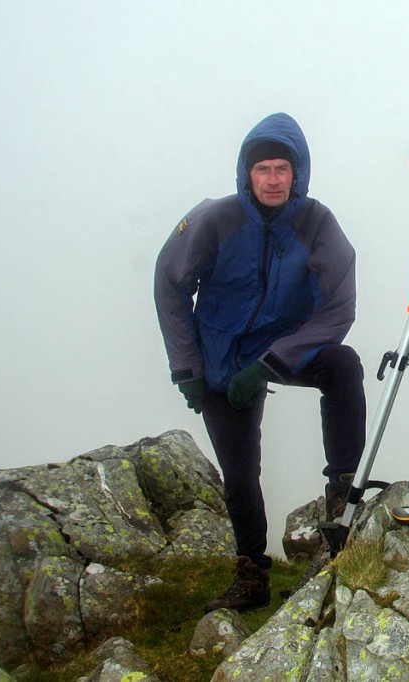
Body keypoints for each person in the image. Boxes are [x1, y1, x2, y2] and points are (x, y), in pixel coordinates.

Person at [154, 112, 366, 612]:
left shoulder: (316, 223)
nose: (273, 179)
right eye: (262, 169)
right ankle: (250, 574)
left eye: (282, 170)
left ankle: (341, 490)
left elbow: (339, 305)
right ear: (246, 174)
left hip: (283, 347)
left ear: (298, 174)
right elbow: (170, 285)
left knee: (343, 365)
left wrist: (273, 364)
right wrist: (187, 368)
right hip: (221, 360)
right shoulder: (215, 219)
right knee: (241, 473)